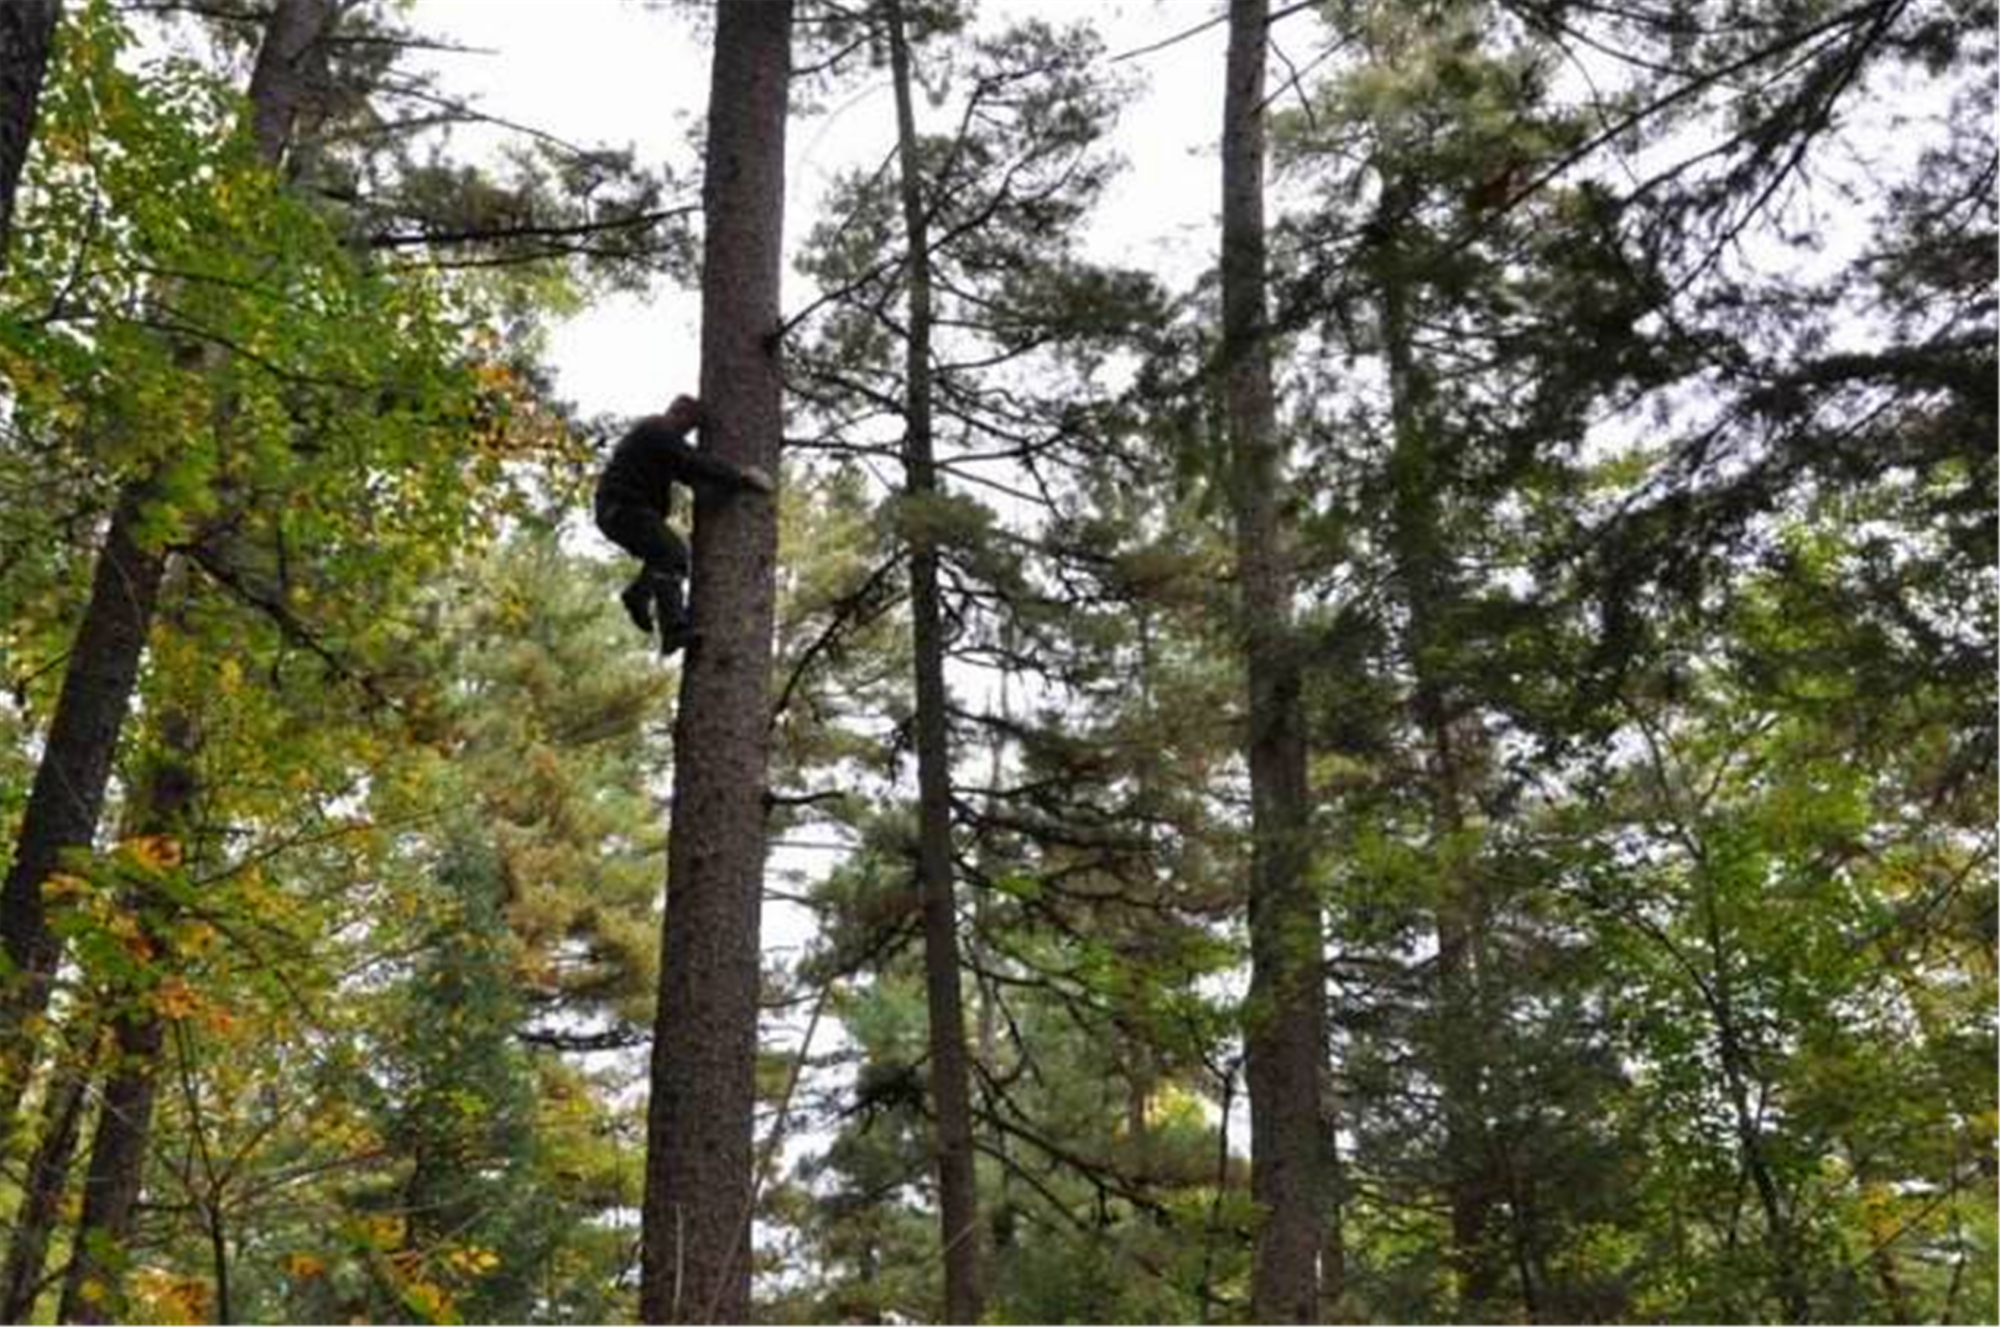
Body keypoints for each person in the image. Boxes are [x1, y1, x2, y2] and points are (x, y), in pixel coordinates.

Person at [594, 394, 773, 656]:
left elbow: (689, 471)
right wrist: (742, 476)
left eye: (691, 429)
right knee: (673, 554)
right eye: (688, 426)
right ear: (677, 412)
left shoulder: (660, 442)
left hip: (618, 511)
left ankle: (637, 595)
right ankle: (674, 631)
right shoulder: (656, 430)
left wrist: (724, 483)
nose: (687, 433)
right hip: (622, 509)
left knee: (661, 556)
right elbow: (694, 462)